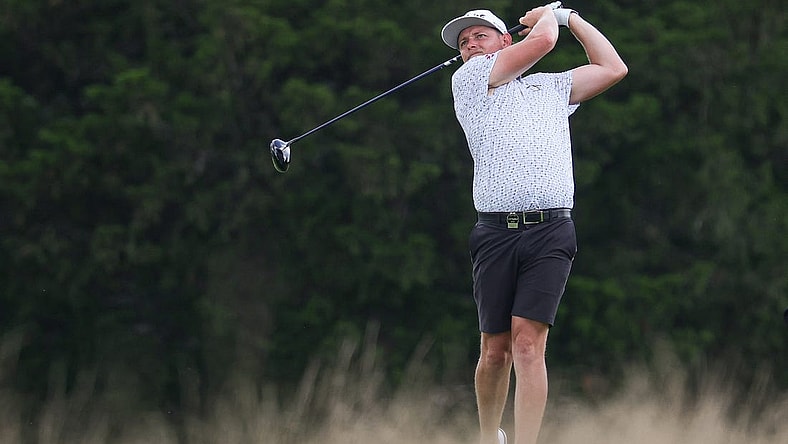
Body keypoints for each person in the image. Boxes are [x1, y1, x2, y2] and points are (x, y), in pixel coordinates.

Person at [440, 4, 627, 444]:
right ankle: (489, 438)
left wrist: (571, 18)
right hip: (494, 233)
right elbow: (542, 42)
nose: (470, 45)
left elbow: (613, 67)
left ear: (505, 40)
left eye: (480, 36)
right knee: (495, 351)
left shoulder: (549, 88)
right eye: (464, 43)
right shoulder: (468, 81)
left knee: (528, 346)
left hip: (550, 231)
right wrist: (548, 15)